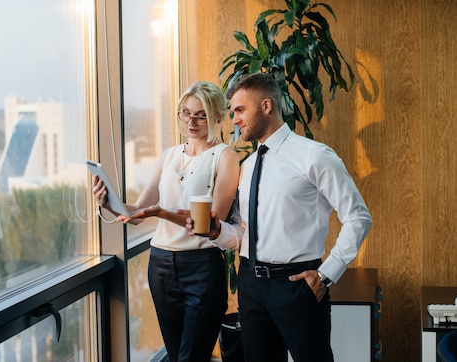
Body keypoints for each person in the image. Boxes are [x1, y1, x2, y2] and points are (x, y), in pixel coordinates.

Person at [190, 72, 372, 362]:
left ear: (266, 106)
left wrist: (326, 275)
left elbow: (358, 217)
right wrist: (216, 232)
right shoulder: (247, 166)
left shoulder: (314, 156)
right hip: (250, 284)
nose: (234, 120)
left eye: (239, 110)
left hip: (298, 285)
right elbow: (241, 234)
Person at [93, 81, 240, 362]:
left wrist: (161, 213)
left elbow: (212, 223)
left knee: (191, 357)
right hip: (160, 266)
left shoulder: (226, 156)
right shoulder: (169, 155)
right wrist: (108, 203)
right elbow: (137, 212)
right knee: (177, 356)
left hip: (202, 268)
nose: (191, 121)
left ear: (218, 116)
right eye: (185, 112)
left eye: (201, 114)